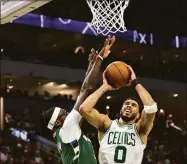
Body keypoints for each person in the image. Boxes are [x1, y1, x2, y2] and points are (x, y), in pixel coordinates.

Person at [42, 36, 116, 164]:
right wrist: (99, 59)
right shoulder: (67, 127)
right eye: (63, 113)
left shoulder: (66, 132)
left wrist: (91, 64)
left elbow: (84, 90)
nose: (68, 113)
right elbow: (86, 89)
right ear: (58, 122)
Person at [79, 65, 158, 164]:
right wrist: (104, 87)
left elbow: (151, 107)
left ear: (138, 115)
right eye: (127, 103)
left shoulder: (140, 129)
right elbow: (84, 109)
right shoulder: (106, 124)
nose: (129, 106)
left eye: (134, 105)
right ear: (121, 109)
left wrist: (135, 82)